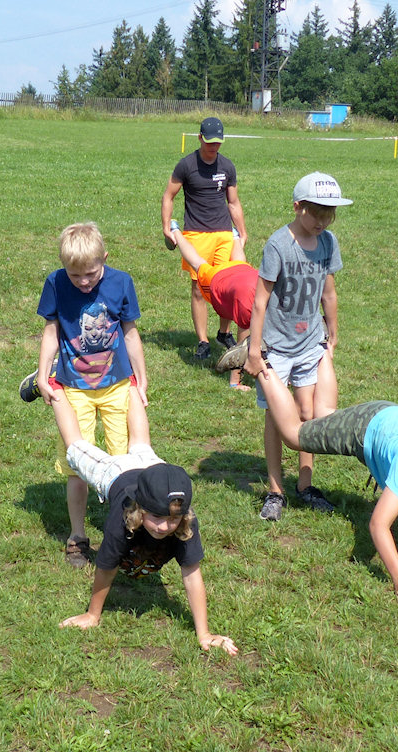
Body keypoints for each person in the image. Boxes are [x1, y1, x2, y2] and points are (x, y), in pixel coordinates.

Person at [253, 364, 398, 608]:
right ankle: (262, 365)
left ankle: (323, 354)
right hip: (369, 425)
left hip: (397, 423)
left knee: (324, 416)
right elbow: (378, 525)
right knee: (294, 435)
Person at [51, 401, 237, 655]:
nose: (164, 527)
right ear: (140, 510)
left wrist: (203, 633)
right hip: (115, 473)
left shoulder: (183, 518)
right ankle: (55, 389)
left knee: (141, 444)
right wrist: (93, 614)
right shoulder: (121, 521)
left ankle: (132, 386)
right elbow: (106, 569)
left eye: (172, 520)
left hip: (153, 470)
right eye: (157, 517)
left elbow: (192, 574)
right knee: (76, 447)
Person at [27, 221, 151, 568]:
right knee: (78, 465)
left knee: (125, 463)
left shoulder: (121, 282)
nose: (83, 282)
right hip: (74, 389)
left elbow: (130, 333)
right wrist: (42, 373)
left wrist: (141, 378)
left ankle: (128, 535)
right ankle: (78, 536)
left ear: (104, 259)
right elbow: (51, 331)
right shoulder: (55, 283)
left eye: (91, 274)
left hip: (116, 385)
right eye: (75, 275)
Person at [243, 172, 352, 522]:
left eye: (329, 214)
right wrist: (254, 350)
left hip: (309, 343)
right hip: (276, 346)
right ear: (297, 207)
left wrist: (332, 330)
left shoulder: (328, 242)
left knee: (308, 413)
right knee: (277, 418)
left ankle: (305, 485)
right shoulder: (279, 245)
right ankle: (275, 491)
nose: (322, 221)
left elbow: (328, 292)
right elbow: (260, 301)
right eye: (316, 213)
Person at [161, 117, 248, 360]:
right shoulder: (186, 165)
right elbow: (168, 196)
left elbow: (233, 202)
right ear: (200, 138)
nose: (213, 146)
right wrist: (166, 226)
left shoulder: (227, 166)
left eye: (218, 142)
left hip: (223, 233)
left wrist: (242, 231)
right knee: (200, 289)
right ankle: (203, 341)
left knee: (228, 286)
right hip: (196, 234)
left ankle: (223, 333)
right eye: (209, 142)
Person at [169, 220, 257, 391]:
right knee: (198, 263)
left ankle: (235, 237)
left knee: (240, 262)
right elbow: (240, 347)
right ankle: (176, 232)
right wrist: (235, 382)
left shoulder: (272, 292)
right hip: (217, 280)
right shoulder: (248, 307)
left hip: (243, 272)